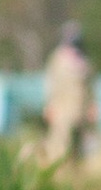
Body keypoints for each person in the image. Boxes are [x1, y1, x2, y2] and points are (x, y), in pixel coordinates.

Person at [40, 22, 94, 168]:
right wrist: (49, 106)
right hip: (61, 107)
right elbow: (50, 84)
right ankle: (57, 172)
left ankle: (75, 173)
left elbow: (91, 87)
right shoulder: (57, 59)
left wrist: (92, 106)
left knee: (78, 143)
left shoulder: (85, 61)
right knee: (59, 142)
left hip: (80, 109)